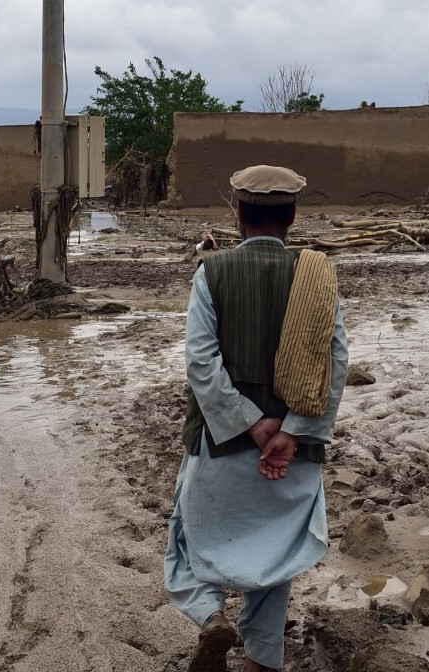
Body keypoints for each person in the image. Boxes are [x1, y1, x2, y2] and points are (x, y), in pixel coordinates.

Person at [164, 165, 348, 672]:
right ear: (291, 218)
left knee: (188, 536)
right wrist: (289, 433)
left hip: (220, 443)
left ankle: (210, 616)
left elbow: (201, 362)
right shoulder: (316, 274)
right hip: (293, 453)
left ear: (239, 214)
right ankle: (263, 660)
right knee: (276, 552)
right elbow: (336, 364)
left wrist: (249, 424)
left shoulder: (213, 271)